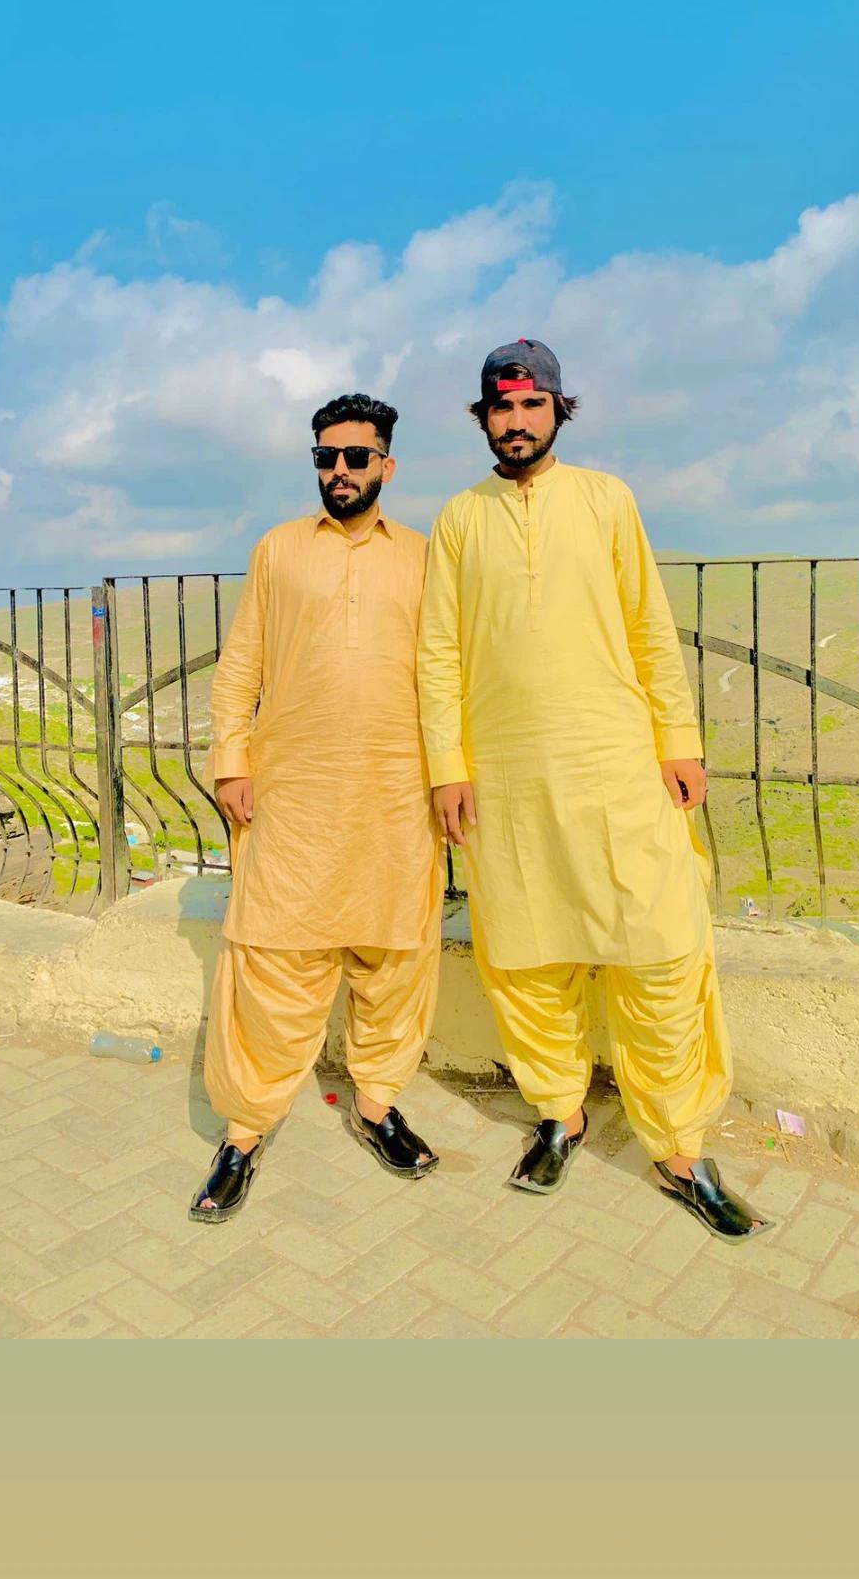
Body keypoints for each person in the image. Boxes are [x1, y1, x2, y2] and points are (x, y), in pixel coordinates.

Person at [416, 339, 768, 1242]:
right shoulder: (459, 519)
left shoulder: (607, 499)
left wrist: (679, 741)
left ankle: (679, 1148)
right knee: (525, 956)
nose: (516, 421)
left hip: (616, 763)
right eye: (502, 407)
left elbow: (649, 626)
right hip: (506, 777)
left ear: (557, 410)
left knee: (660, 948)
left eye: (532, 405)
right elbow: (439, 651)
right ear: (483, 417)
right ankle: (559, 1114)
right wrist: (448, 765)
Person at [190, 393, 444, 1222]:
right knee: (271, 955)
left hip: (396, 790)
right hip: (294, 791)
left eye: (355, 457)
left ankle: (376, 1105)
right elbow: (241, 666)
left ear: (386, 466)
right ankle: (244, 1130)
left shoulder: (425, 556)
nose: (339, 470)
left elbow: (448, 676)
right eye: (325, 457)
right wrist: (233, 762)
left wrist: (451, 777)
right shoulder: (279, 549)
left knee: (394, 955)